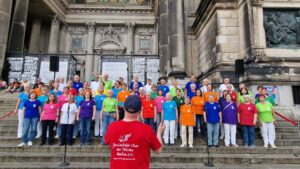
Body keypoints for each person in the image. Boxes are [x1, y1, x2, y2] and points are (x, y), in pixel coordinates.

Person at [104, 95, 165, 169]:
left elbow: (108, 143)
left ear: (124, 108)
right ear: (140, 110)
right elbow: (158, 150)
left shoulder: (112, 127)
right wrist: (159, 132)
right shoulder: (146, 129)